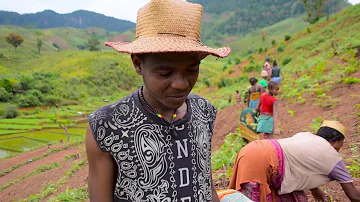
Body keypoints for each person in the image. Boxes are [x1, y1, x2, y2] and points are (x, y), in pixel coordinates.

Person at [85, 1, 231, 202]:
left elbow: (205, 182)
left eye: (192, 70)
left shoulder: (204, 111)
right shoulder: (106, 124)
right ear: (137, 63)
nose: (181, 84)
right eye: (165, 73)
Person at [229, 120, 360, 202]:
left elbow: (301, 163)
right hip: (264, 162)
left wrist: (315, 190)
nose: (338, 149)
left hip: (251, 150)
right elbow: (353, 195)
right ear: (333, 141)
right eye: (340, 145)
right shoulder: (332, 156)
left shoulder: (305, 136)